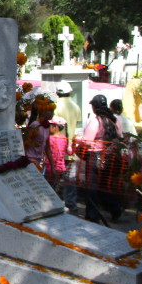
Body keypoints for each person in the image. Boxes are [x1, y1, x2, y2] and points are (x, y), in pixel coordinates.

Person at [80, 94, 123, 224]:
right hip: (110, 156)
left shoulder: (96, 121)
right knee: (104, 185)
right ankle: (114, 208)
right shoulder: (114, 120)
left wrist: (78, 140)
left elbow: (87, 141)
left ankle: (92, 215)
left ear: (94, 107)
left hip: (96, 156)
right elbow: (119, 136)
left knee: (92, 187)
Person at [53, 81, 81, 213]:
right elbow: (77, 126)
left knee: (54, 175)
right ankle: (71, 203)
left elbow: (52, 128)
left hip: (56, 147)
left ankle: (52, 201)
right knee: (70, 177)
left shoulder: (56, 106)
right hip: (71, 148)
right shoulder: (75, 107)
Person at [45, 115, 68, 196]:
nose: (48, 127)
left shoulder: (50, 139)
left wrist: (53, 168)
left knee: (50, 189)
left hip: (51, 168)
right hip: (61, 167)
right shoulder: (64, 138)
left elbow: (53, 155)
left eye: (50, 126)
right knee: (58, 189)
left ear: (56, 127)